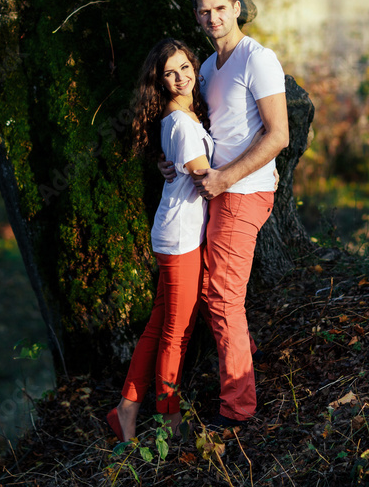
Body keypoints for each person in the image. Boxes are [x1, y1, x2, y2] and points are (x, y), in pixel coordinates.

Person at [163, 0, 289, 428]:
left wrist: (225, 179)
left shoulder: (259, 59)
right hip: (217, 191)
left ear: (237, 7)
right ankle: (244, 358)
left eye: (220, 8)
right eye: (204, 11)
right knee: (214, 293)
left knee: (220, 299)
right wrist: (183, 163)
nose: (213, 18)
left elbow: (279, 135)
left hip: (245, 192)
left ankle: (238, 410)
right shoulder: (211, 67)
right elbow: (216, 138)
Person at [107, 38, 214, 442]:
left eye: (185, 67)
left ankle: (126, 409)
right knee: (176, 331)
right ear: (160, 80)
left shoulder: (183, 117)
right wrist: (260, 166)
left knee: (157, 326)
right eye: (170, 73)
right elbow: (210, 180)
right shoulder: (182, 124)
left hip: (175, 232)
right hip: (181, 238)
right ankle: (168, 420)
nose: (181, 77)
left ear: (194, 66)